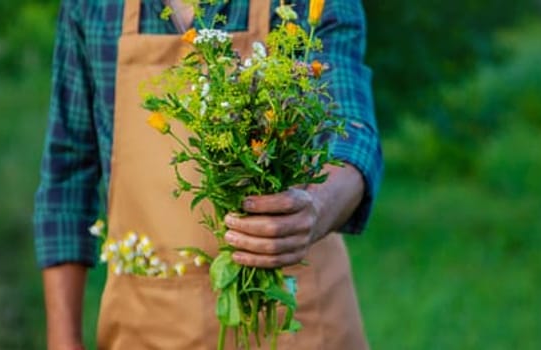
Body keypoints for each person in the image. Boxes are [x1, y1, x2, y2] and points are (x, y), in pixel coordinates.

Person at [32, 0, 382, 348]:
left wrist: (317, 208)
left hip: (293, 319)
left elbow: (351, 132)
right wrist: (63, 339)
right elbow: (68, 168)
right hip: (151, 325)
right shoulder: (92, 8)